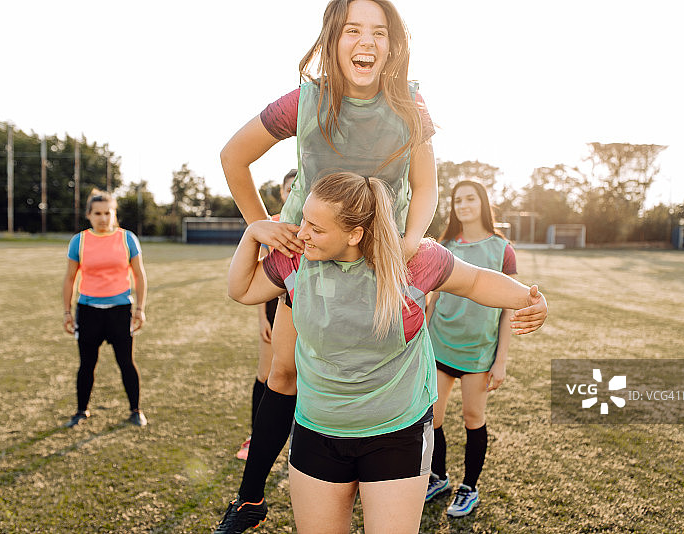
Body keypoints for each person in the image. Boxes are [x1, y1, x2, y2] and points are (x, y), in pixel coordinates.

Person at [216, 0, 437, 530]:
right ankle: (251, 498)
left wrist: (409, 241)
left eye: (379, 32)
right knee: (284, 370)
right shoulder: (304, 102)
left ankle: (398, 468)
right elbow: (233, 155)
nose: (367, 41)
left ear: (393, 43)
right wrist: (261, 224)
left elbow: (426, 185)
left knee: (387, 364)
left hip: (383, 258)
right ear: (333, 38)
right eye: (353, 30)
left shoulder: (411, 103)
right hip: (308, 253)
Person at [222, 172, 547, 534]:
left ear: (354, 234)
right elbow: (243, 289)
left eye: (315, 226)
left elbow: (475, 281)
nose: (301, 233)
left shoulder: (412, 259)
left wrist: (529, 299)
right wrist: (253, 232)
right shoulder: (296, 258)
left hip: (397, 433)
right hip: (318, 429)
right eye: (304, 221)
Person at [423, 180, 517, 517]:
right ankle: (439, 477)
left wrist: (501, 359)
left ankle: (469, 488)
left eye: (470, 198)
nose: (463, 205)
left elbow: (509, 307)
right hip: (439, 344)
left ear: (482, 203)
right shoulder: (444, 245)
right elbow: (431, 298)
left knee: (473, 417)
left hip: (478, 353)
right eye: (457, 200)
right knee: (431, 416)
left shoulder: (502, 249)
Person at [61, 189, 148, 428]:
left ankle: (136, 410)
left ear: (114, 214)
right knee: (87, 364)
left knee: (126, 363)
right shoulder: (79, 241)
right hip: (88, 311)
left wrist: (139, 309)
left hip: (120, 311)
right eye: (97, 213)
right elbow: (69, 279)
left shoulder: (127, 238)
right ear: (89, 215)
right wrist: (68, 313)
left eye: (107, 213)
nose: (102, 218)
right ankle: (81, 411)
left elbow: (140, 276)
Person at [236, 169, 296, 460]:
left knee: (298, 376)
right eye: (288, 188)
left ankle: (298, 434)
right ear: (282, 192)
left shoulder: (315, 224)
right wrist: (263, 319)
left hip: (300, 306)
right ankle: (255, 436)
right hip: (273, 305)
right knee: (266, 375)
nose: (292, 191)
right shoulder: (270, 224)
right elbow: (258, 270)